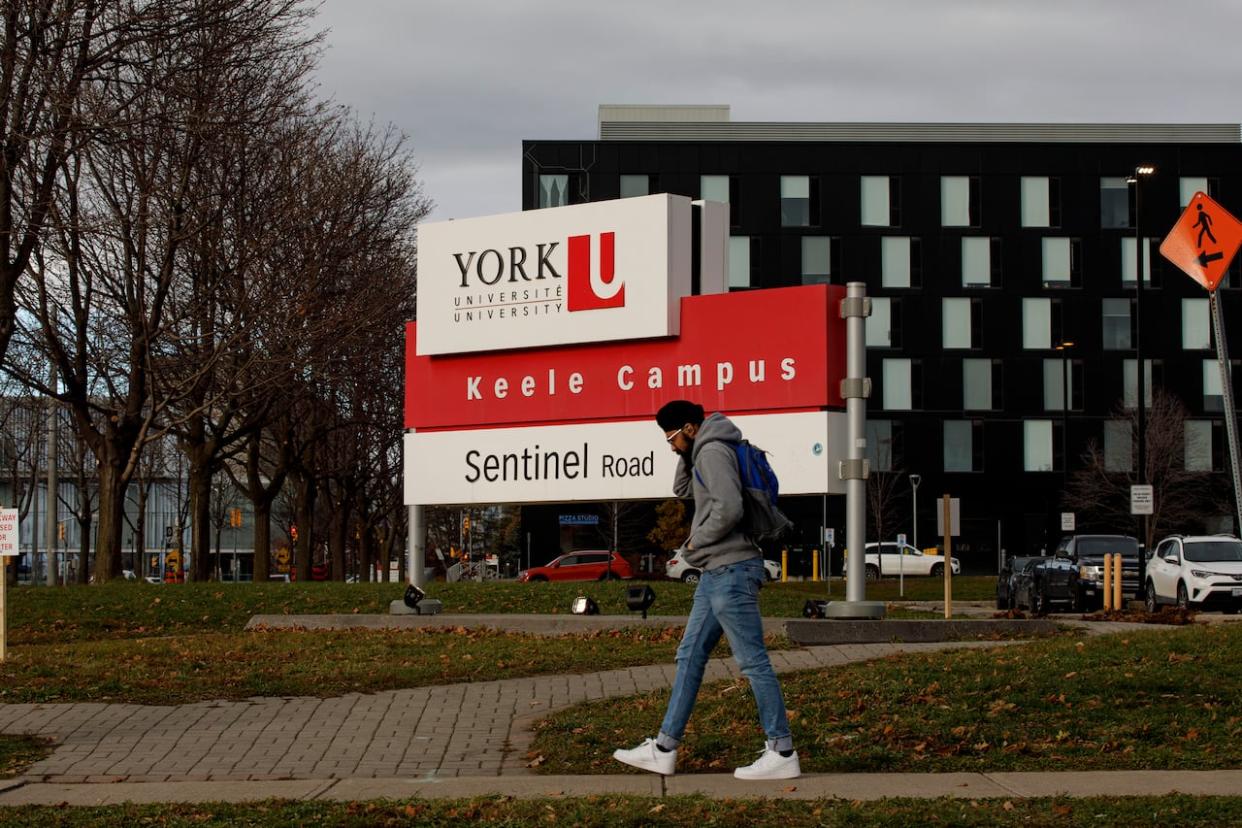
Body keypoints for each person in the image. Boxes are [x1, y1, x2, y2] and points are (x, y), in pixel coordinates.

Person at [613, 400, 799, 780]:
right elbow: (682, 489)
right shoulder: (705, 450)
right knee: (689, 657)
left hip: (730, 570)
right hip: (716, 574)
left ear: (690, 427)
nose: (670, 445)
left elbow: (728, 509)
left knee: (752, 662)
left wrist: (695, 544)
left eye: (671, 437)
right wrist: (686, 451)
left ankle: (782, 751)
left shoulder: (713, 451)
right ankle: (664, 748)